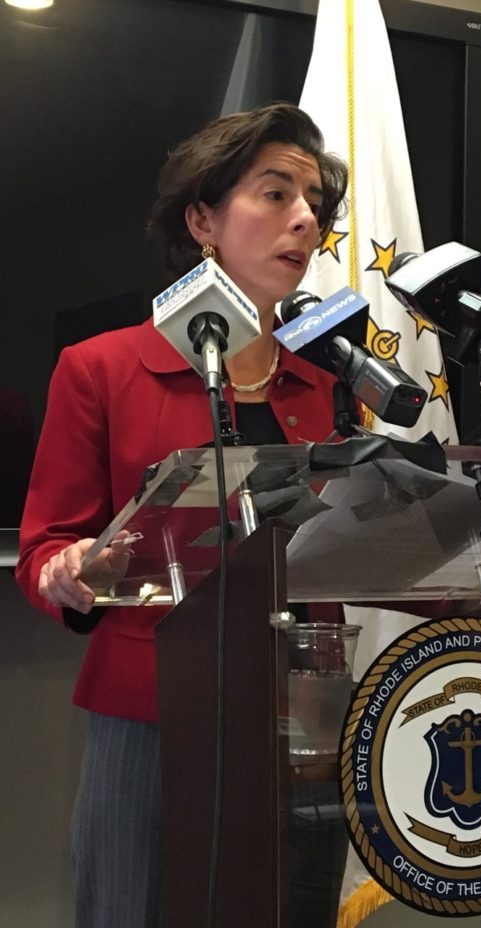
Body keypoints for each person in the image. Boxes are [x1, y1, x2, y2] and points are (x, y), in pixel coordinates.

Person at [16, 102, 349, 928]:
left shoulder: (324, 390)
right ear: (202, 218)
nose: (305, 220)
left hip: (300, 715)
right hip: (151, 717)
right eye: (275, 195)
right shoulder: (99, 369)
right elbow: (46, 547)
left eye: (315, 205)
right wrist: (70, 571)